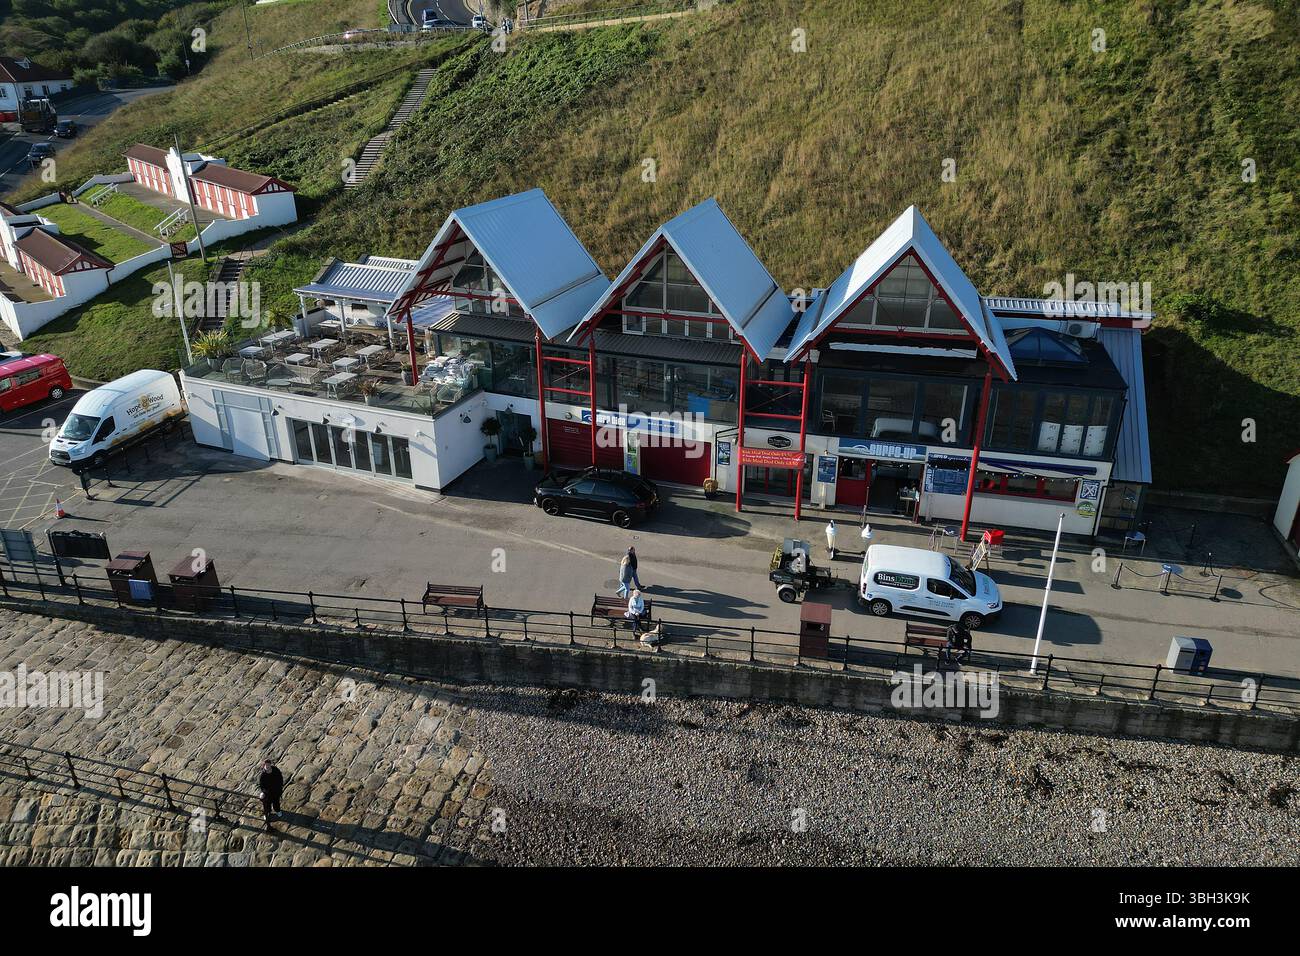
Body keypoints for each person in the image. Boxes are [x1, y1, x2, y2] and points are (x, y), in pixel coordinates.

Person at [258, 760, 284, 829]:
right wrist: (263, 792)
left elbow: (280, 778)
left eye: (268, 765)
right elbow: (261, 785)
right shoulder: (263, 775)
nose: (267, 766)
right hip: (268, 793)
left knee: (276, 802)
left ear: (270, 764)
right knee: (267, 804)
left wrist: (280, 786)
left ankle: (278, 811)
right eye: (266, 765)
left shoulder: (275, 770)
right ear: (264, 766)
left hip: (276, 791)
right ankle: (267, 813)